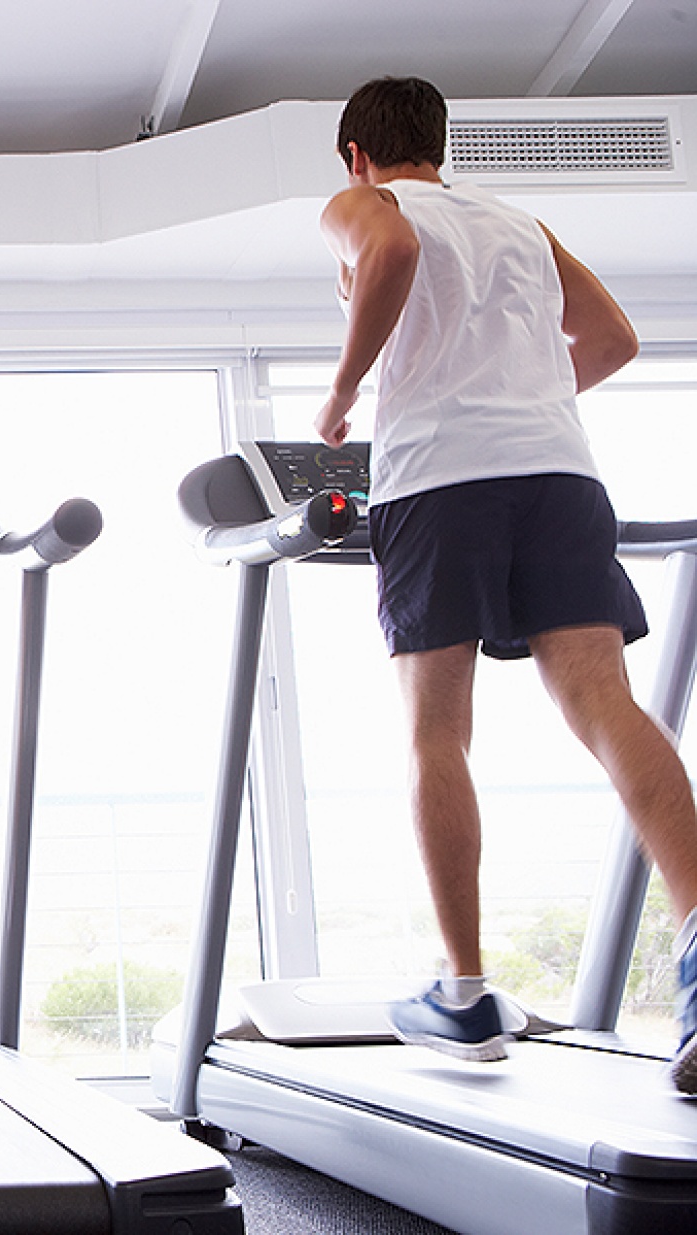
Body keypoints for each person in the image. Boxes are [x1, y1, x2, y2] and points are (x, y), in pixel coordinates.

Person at [314, 76, 697, 1088]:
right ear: (439, 145)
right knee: (605, 707)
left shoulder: (363, 205)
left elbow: (389, 251)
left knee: (435, 728)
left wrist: (346, 388)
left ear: (356, 154)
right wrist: (516, 398)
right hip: (558, 473)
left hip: (436, 481)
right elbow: (611, 339)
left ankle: (464, 991)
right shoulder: (517, 221)